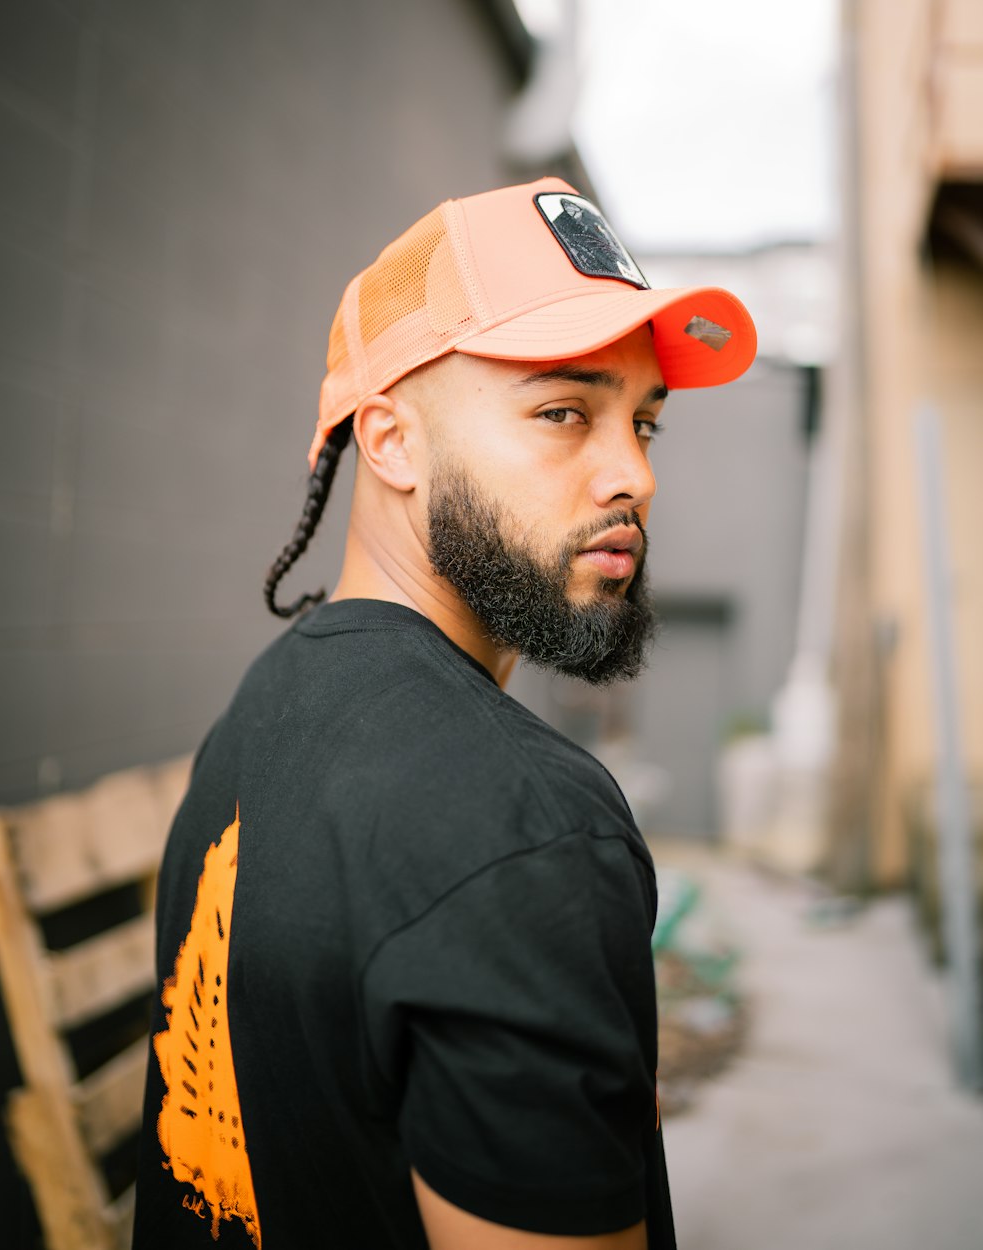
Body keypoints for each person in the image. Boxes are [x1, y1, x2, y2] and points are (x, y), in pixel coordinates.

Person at [133, 177, 756, 1250]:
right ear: (389, 441)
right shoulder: (523, 822)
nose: (634, 474)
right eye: (564, 410)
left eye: (643, 420)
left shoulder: (262, 712)